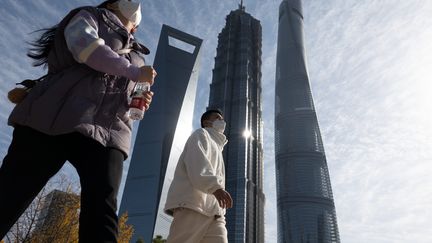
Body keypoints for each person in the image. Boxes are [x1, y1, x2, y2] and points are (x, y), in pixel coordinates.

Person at [0, 0, 157, 242]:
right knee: (12, 192)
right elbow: (85, 46)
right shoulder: (91, 15)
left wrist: (140, 98)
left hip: (109, 130)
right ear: (114, 4)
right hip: (56, 113)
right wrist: (135, 73)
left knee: (103, 209)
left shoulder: (138, 55)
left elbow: (126, 93)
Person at [164, 109, 233, 243]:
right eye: (218, 118)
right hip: (193, 205)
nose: (222, 121)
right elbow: (197, 163)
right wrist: (215, 188)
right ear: (207, 122)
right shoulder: (201, 134)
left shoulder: (218, 148)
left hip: (216, 214)